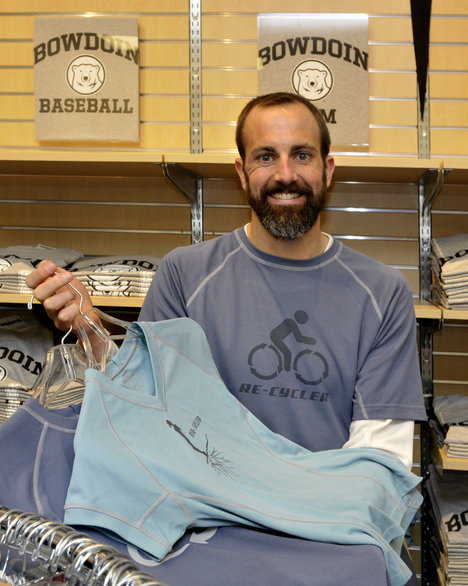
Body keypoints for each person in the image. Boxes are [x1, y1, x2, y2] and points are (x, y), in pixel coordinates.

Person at [25, 92, 427, 583]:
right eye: (265, 157)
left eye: (302, 154)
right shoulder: (184, 273)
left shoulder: (382, 291)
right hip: (201, 536)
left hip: (320, 539)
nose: (285, 174)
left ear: (328, 168)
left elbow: (379, 463)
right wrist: (89, 329)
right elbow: (147, 413)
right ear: (241, 172)